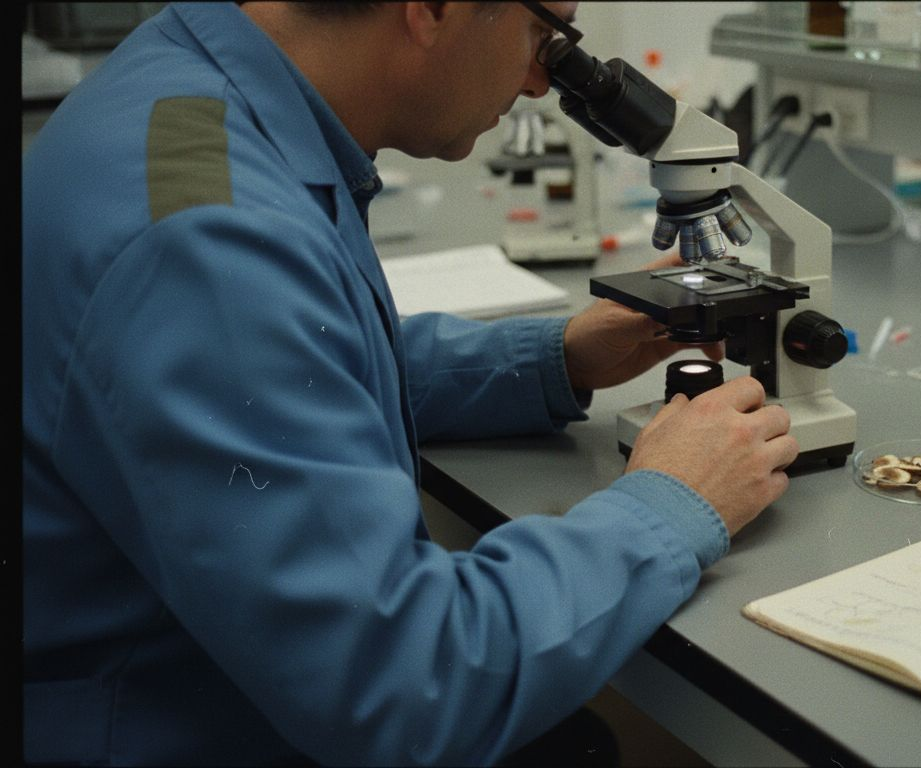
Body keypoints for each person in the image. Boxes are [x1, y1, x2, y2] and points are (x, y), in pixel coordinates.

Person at [21, 2, 799, 764]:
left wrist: (553, 357)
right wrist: (670, 502)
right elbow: (405, 686)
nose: (539, 81)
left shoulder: (190, 95)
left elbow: (298, 370)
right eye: (544, 33)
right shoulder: (209, 244)